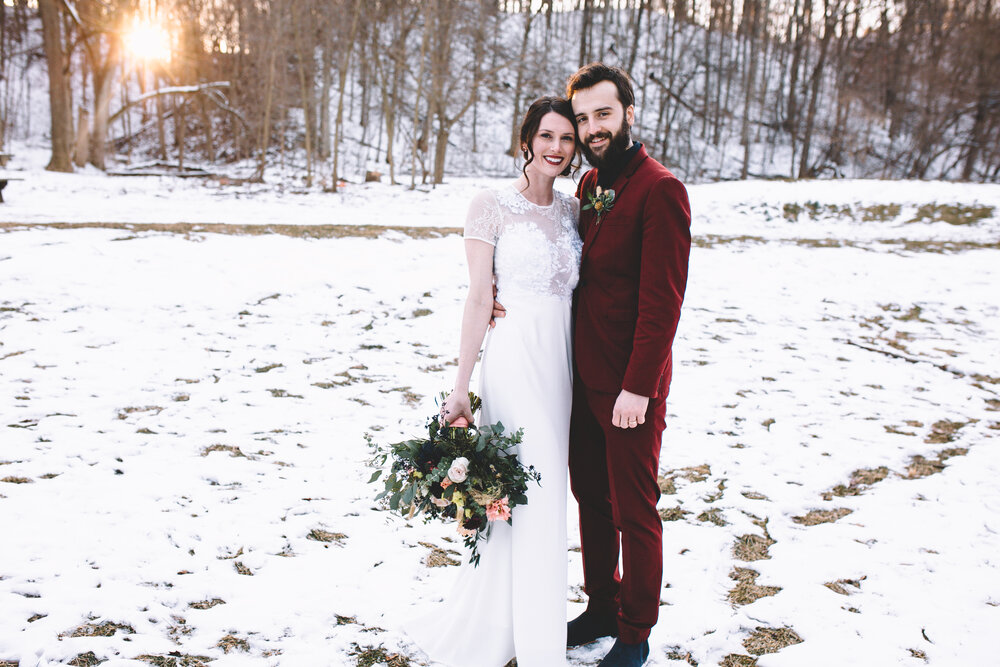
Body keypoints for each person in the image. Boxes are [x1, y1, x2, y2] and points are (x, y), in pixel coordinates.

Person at [494, 63, 692, 667]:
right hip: (578, 381)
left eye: (602, 114)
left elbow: (663, 304)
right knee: (590, 497)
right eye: (583, 119)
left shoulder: (661, 189)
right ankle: (602, 606)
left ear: (629, 113)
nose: (591, 128)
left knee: (636, 509)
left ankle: (634, 632)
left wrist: (638, 388)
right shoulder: (589, 186)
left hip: (630, 389)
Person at [404, 96, 582, 667]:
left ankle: (533, 629)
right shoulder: (491, 206)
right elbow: (480, 295)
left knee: (549, 493)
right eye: (547, 136)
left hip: (561, 364)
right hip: (512, 362)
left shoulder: (574, 211)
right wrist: (461, 385)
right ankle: (504, 634)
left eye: (567, 140)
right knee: (519, 490)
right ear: (526, 138)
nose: (556, 148)